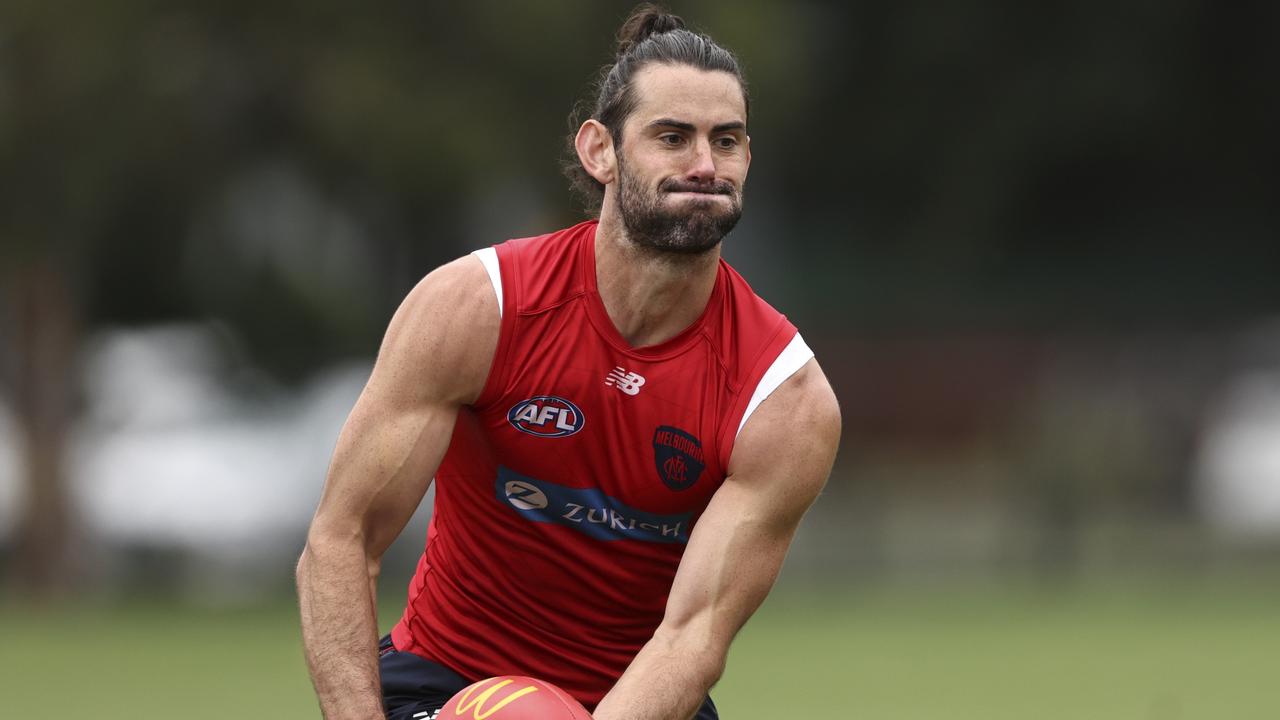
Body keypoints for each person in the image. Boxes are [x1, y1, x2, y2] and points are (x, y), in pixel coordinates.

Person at [296, 5, 841, 719]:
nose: (705, 165)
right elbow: (341, 541)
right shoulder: (478, 308)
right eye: (672, 137)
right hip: (443, 679)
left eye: (727, 140)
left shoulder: (785, 399)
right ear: (600, 150)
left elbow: (692, 638)